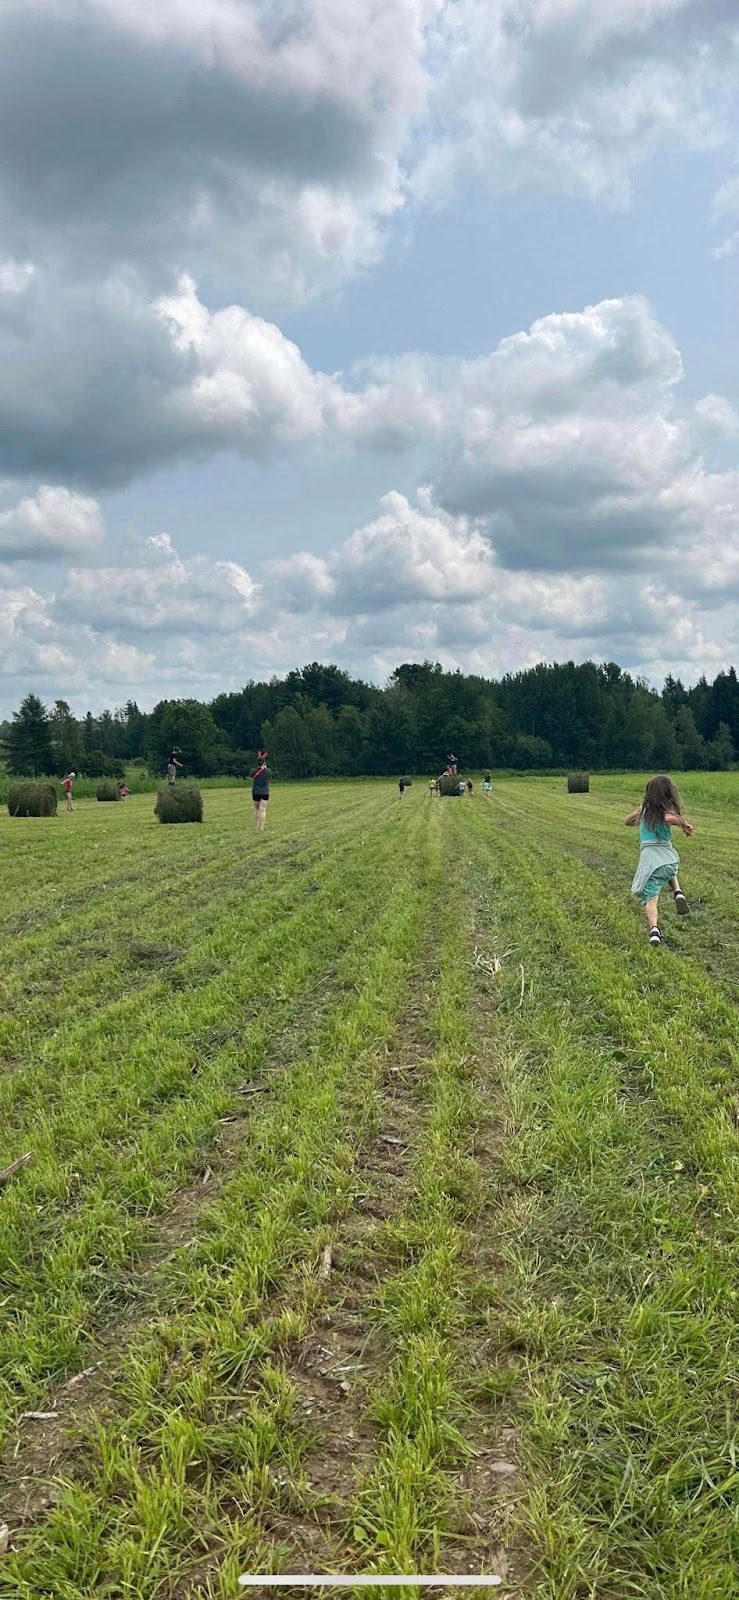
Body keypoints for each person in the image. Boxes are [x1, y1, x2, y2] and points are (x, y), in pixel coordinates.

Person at [625, 775, 693, 947]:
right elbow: (670, 818)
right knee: (669, 868)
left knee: (651, 898)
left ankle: (654, 930)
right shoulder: (667, 811)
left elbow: (627, 821)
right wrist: (683, 823)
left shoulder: (645, 811)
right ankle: (678, 891)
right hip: (667, 859)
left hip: (650, 860)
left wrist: (640, 810)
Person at [251, 751, 271, 831]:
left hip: (256, 792)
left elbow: (252, 776)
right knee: (263, 809)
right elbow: (270, 778)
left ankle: (256, 826)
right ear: (264, 762)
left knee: (256, 809)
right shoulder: (268, 771)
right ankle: (261, 827)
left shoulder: (253, 771)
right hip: (265, 792)